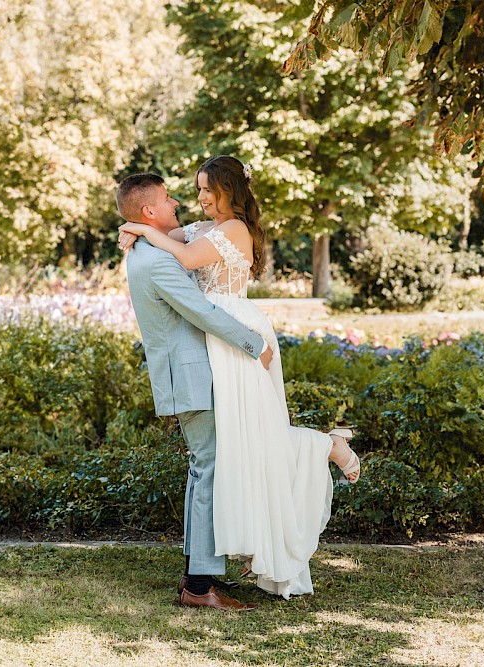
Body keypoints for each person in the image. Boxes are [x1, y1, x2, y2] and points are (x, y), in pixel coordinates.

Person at [118, 156, 360, 598]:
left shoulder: (234, 231)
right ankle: (204, 574)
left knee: (253, 441)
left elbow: (183, 254)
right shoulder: (197, 229)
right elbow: (168, 235)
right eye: (194, 191)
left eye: (207, 189)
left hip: (237, 337)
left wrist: (143, 228)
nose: (198, 198)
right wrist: (132, 226)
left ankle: (327, 446)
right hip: (217, 345)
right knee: (235, 453)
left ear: (231, 190)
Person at [116, 173, 273, 611]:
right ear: (149, 212)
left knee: (203, 471)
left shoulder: (146, 249)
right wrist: (254, 344)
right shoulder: (159, 260)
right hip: (192, 377)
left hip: (191, 375)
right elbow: (203, 312)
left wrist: (136, 229)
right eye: (167, 200)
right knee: (208, 473)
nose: (177, 203)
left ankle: (196, 577)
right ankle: (200, 587)